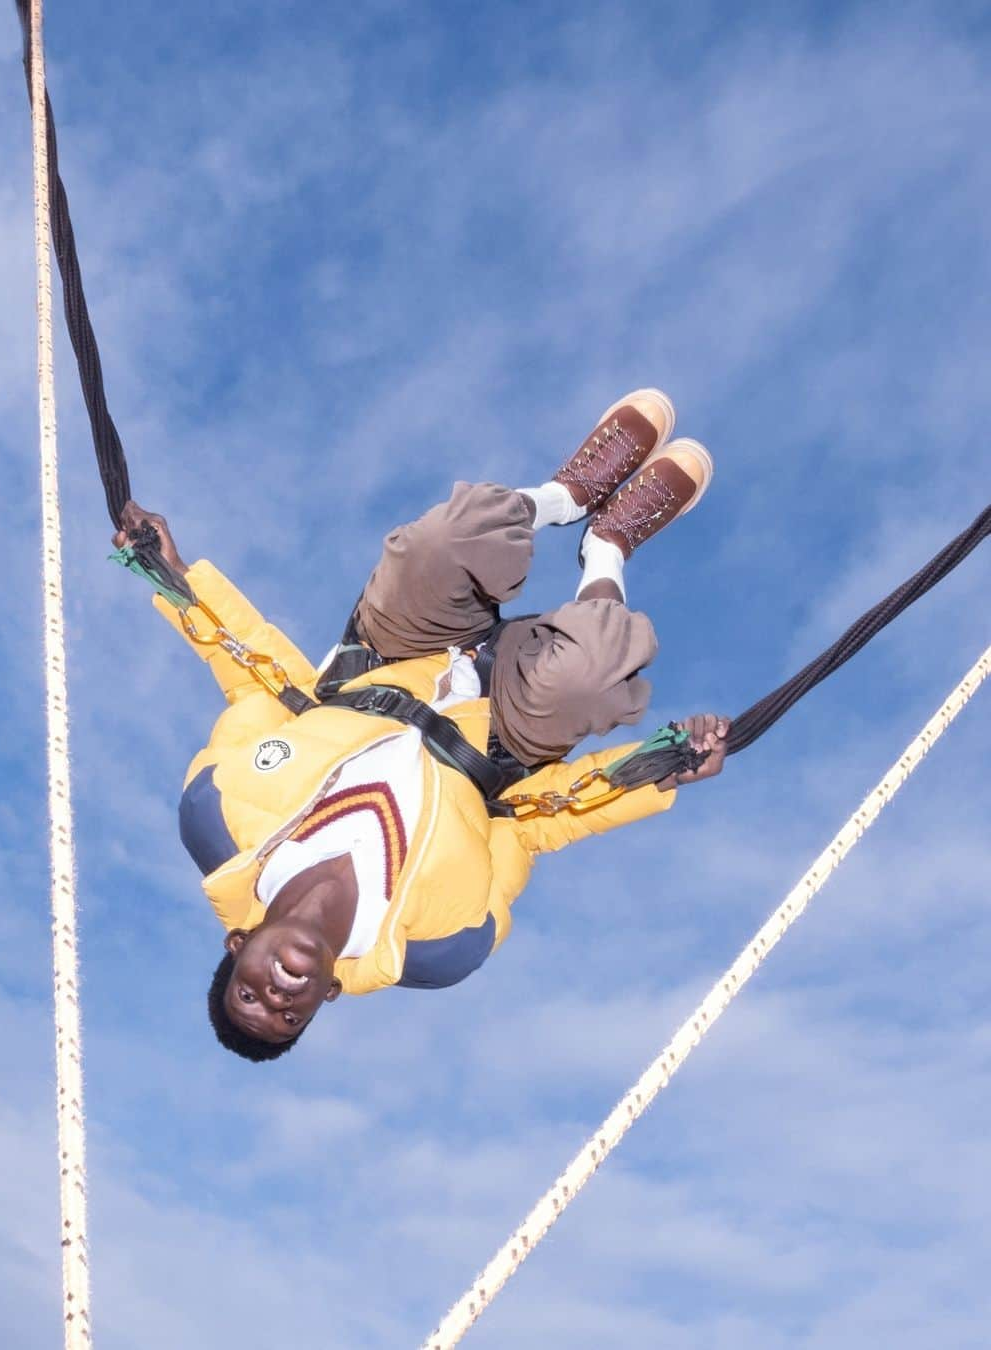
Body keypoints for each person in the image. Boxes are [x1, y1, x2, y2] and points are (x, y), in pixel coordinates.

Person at [115, 388, 730, 1063]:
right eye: (288, 1018)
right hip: (501, 729)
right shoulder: (441, 944)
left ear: (238, 948)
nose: (277, 997)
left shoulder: (218, 814)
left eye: (249, 996)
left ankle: (567, 499)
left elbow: (260, 678)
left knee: (443, 541)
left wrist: (174, 577)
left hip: (385, 658)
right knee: (590, 674)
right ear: (326, 998)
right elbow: (539, 822)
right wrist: (661, 770)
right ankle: (610, 541)